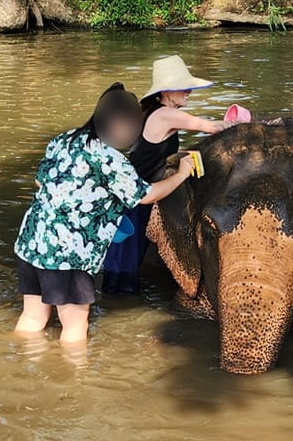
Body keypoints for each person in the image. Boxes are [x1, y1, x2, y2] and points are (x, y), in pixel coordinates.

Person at [15, 83, 197, 345]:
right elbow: (146, 195)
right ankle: (77, 382)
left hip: (32, 241)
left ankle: (22, 367)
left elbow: (39, 182)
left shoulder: (64, 139)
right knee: (75, 325)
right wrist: (181, 174)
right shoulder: (110, 159)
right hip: (69, 254)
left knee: (32, 318)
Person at [103, 56, 234, 294]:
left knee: (123, 254)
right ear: (166, 91)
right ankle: (116, 305)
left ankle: (113, 302)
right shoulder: (166, 115)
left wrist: (184, 154)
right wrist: (250, 125)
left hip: (131, 193)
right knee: (125, 260)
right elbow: (214, 128)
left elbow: (151, 153)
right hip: (137, 197)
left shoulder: (150, 112)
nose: (189, 91)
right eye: (183, 87)